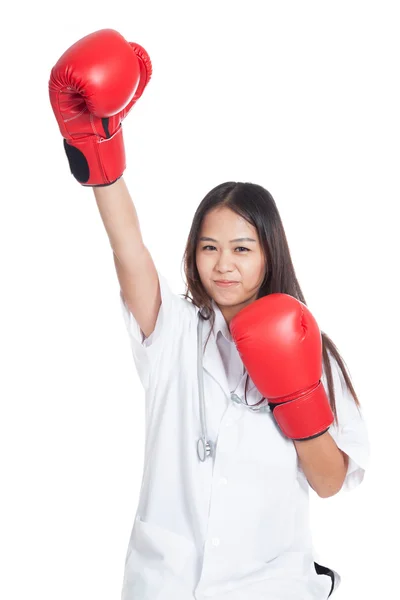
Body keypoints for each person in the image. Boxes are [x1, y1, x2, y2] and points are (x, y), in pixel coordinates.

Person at [49, 28, 370, 600]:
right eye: (208, 246)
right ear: (193, 254)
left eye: (242, 248)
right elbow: (128, 247)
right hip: (166, 585)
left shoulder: (310, 346)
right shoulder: (172, 331)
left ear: (271, 252)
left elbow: (328, 483)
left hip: (271, 588)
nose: (223, 264)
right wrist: (99, 151)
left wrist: (293, 394)